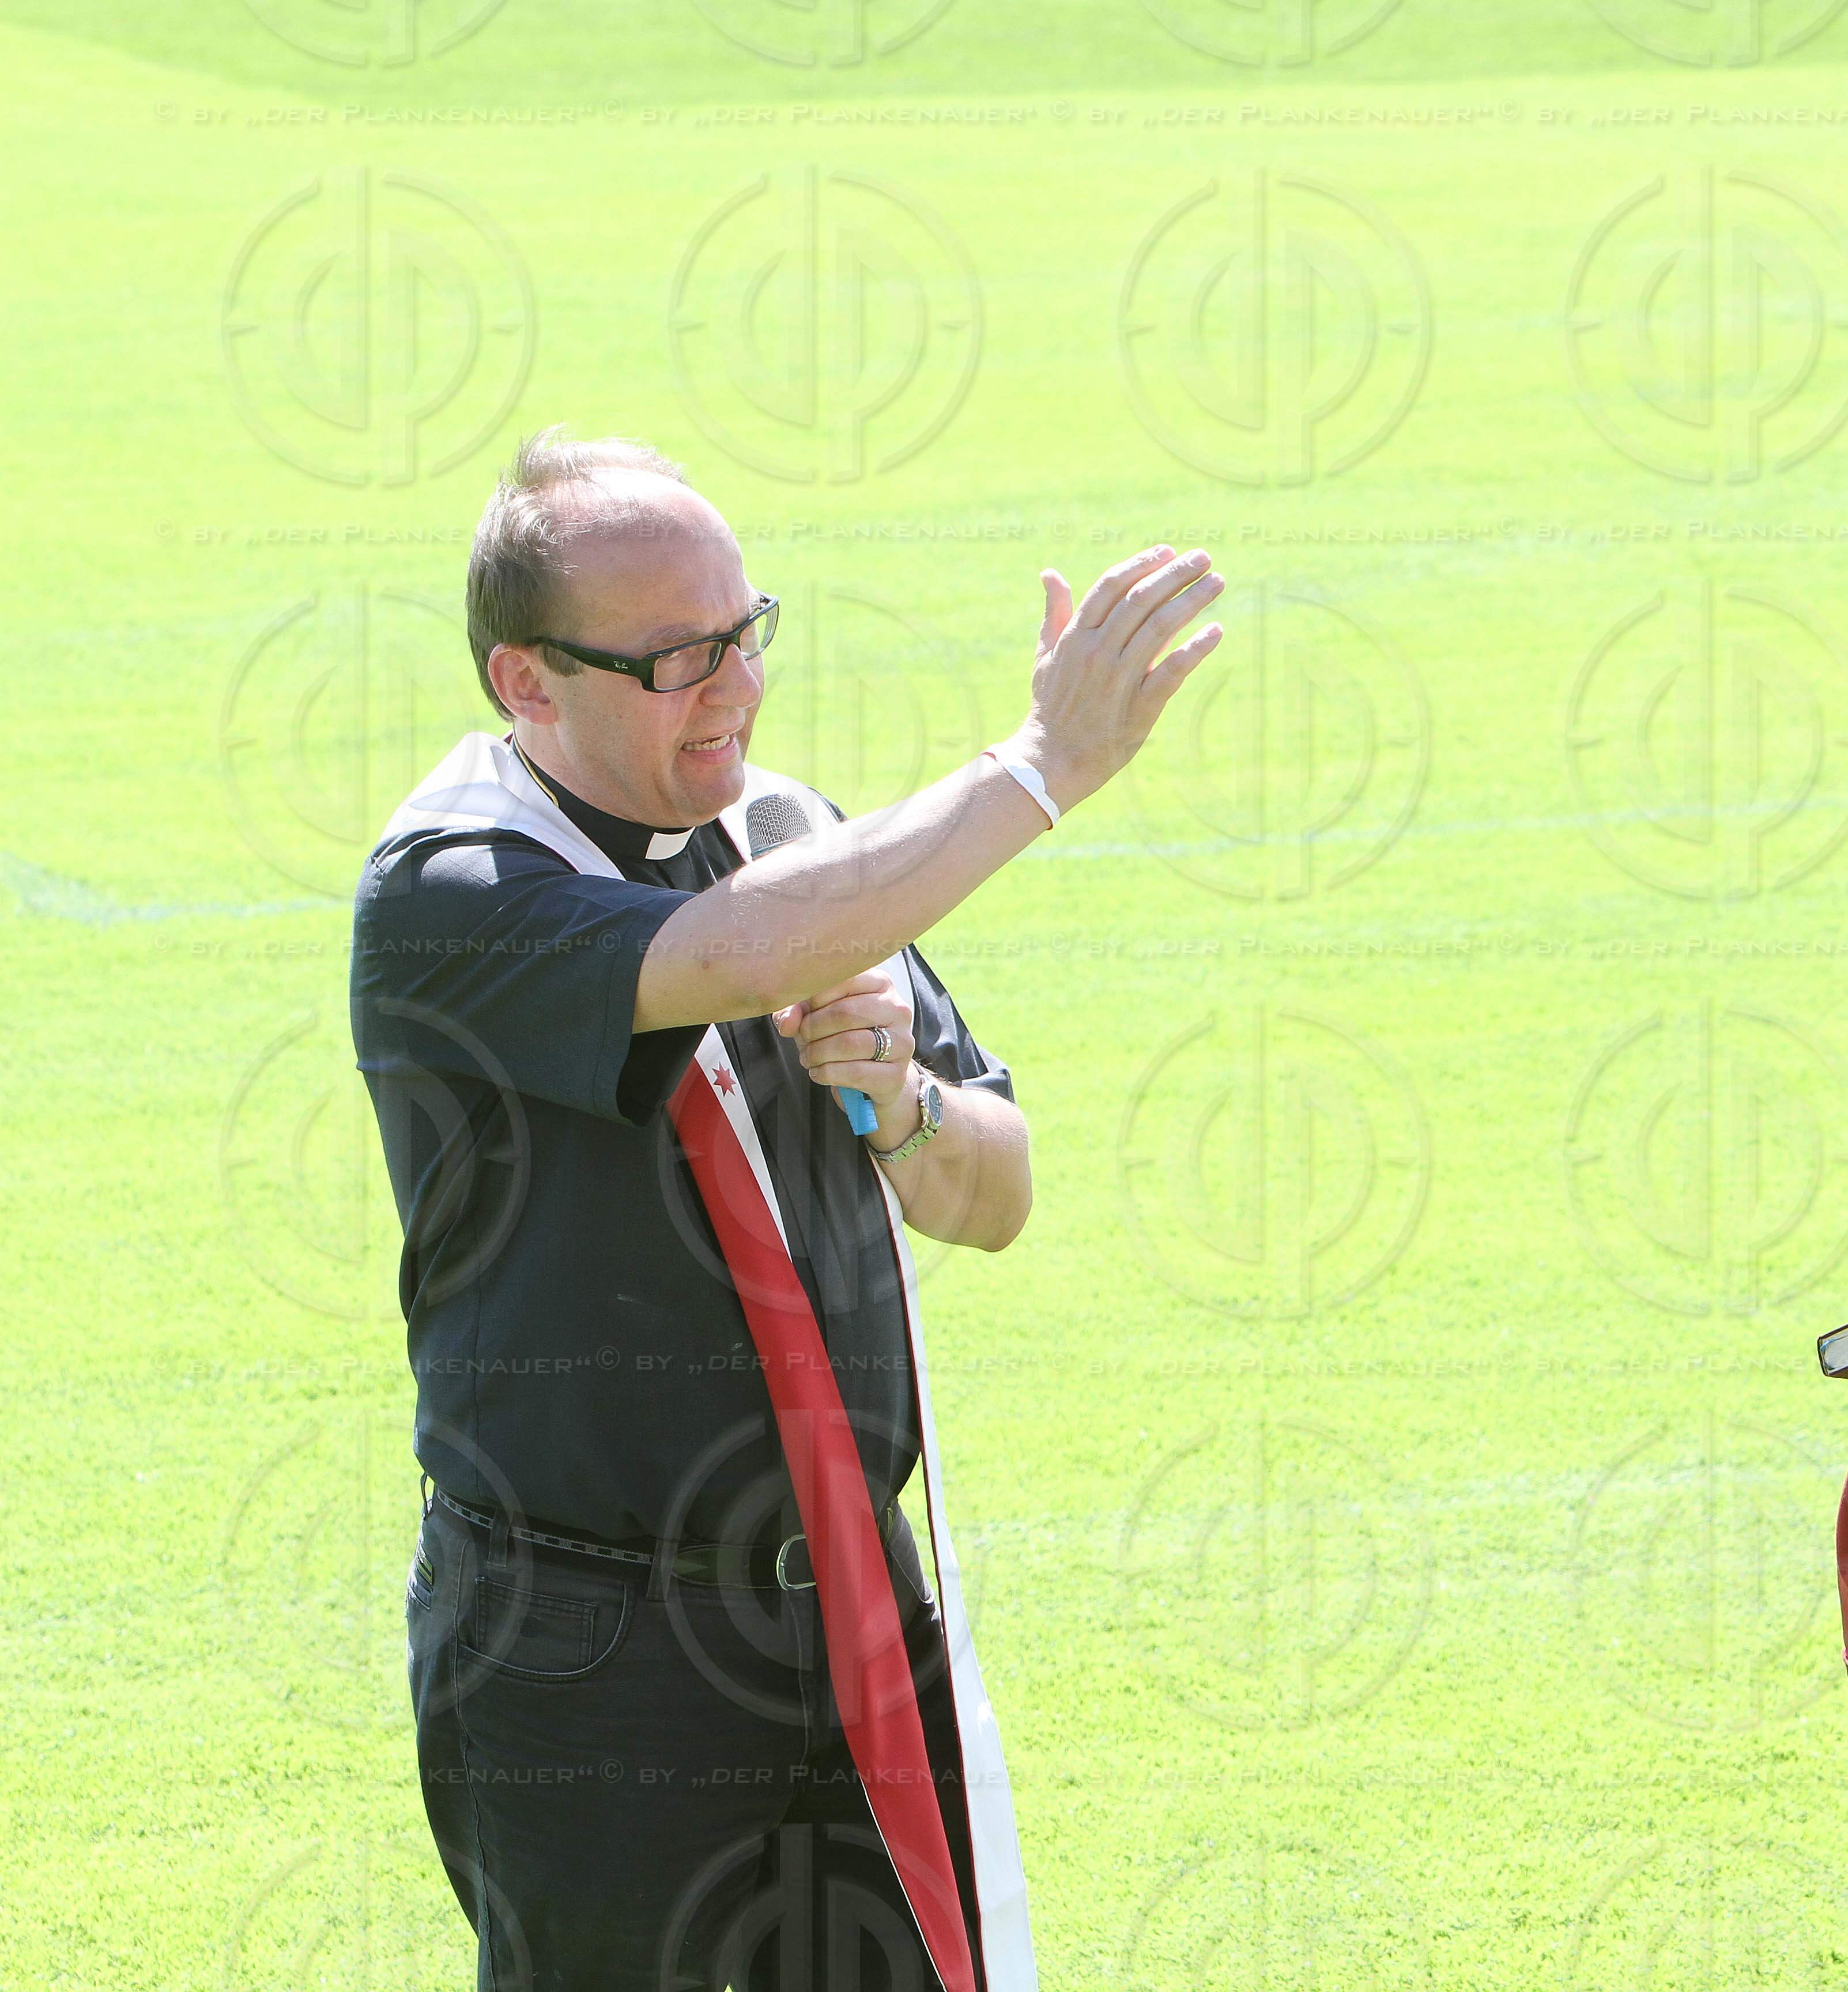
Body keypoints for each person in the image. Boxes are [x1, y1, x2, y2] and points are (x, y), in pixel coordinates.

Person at [350, 427, 1223, 1991]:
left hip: (849, 1608)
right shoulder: (451, 892)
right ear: (526, 682)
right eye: (677, 658)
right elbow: (736, 957)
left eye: (746, 632)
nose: (735, 687)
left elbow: (999, 1191)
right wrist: (1039, 768)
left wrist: (903, 1104)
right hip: (592, 1648)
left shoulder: (799, 842)